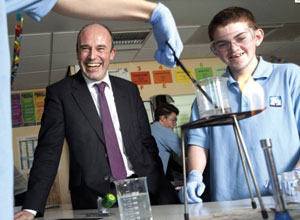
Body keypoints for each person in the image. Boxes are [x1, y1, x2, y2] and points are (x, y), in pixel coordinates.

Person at [3, 1, 182, 219]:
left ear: (112, 53)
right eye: (85, 48)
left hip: (145, 188)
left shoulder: (129, 90)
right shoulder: (60, 94)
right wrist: (31, 207)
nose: (92, 56)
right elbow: (48, 151)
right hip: (92, 196)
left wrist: (162, 186)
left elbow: (146, 142)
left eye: (100, 48)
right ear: (78, 52)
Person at [179, 6, 300, 203]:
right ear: (214, 49)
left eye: (241, 38)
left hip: (290, 198)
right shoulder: (208, 93)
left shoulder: (289, 76)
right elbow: (199, 143)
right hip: (229, 202)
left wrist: (296, 175)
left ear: (258, 36)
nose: (234, 48)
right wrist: (194, 177)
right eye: (223, 44)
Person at [150, 103, 181, 174]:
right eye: (173, 120)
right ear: (163, 118)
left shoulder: (151, 127)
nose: (175, 124)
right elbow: (186, 150)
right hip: (156, 177)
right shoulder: (164, 131)